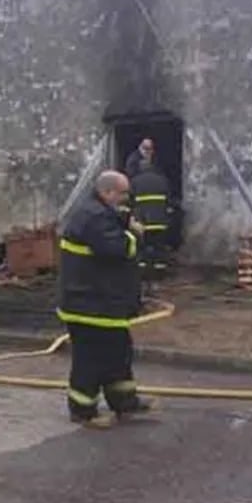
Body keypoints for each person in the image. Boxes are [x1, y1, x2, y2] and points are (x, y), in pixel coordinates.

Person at [57, 170, 154, 428]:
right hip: (90, 305)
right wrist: (135, 233)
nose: (126, 199)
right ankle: (83, 410)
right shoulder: (95, 217)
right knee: (91, 359)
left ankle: (124, 401)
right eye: (122, 194)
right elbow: (119, 248)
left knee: (118, 354)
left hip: (104, 304)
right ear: (107, 192)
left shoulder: (99, 213)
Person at [131, 163, 173, 286]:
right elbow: (169, 200)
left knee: (142, 249)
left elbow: (130, 200)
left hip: (142, 223)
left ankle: (143, 274)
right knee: (159, 248)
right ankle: (159, 274)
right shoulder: (162, 180)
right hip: (160, 222)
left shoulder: (135, 181)